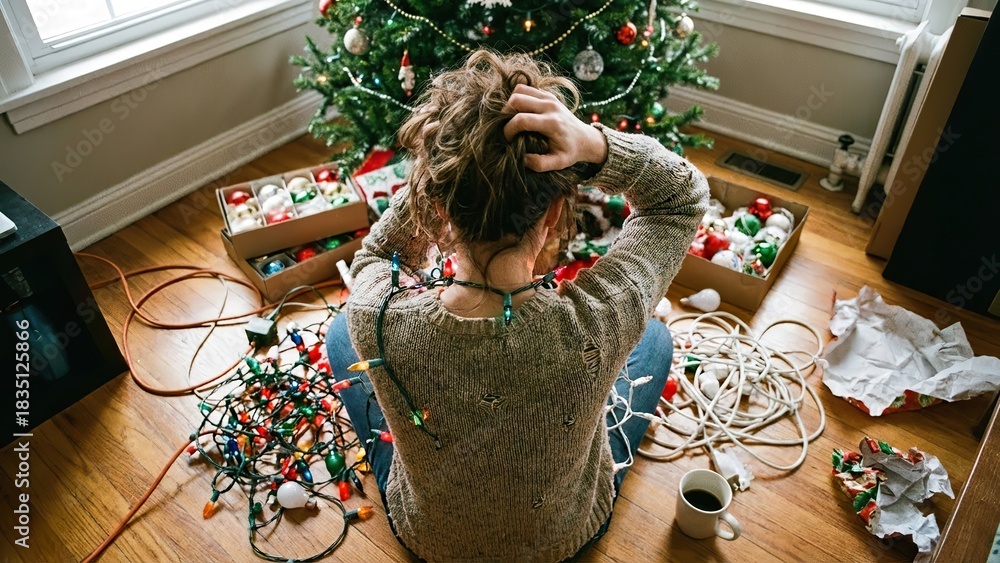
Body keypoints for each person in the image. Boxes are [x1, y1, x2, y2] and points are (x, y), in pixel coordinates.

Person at [326, 50, 708, 561]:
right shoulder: (598, 324)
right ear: (554, 212)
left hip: (428, 537)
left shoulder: (376, 315)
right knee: (657, 338)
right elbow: (680, 198)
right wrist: (594, 145)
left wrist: (437, 163)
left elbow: (377, 252)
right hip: (561, 537)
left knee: (339, 334)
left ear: (436, 208)